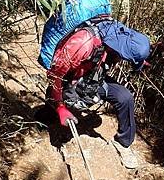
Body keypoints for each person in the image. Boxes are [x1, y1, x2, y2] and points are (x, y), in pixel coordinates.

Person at [45, 19, 151, 169]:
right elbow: (55, 75)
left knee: (125, 98)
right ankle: (50, 114)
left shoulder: (119, 37)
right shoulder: (83, 43)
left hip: (93, 78)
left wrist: (143, 57)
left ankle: (123, 144)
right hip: (70, 79)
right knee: (50, 115)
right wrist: (60, 106)